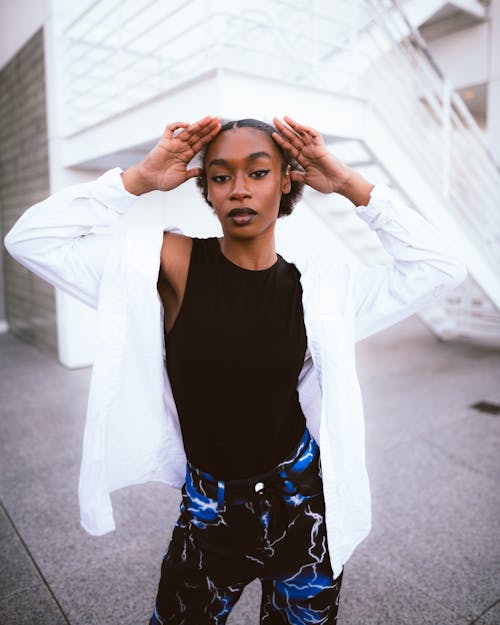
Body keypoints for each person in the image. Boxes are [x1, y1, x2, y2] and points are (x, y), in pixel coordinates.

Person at [4, 115, 467, 624]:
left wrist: (350, 186)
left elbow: (441, 265)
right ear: (205, 187)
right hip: (208, 513)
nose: (239, 190)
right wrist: (138, 179)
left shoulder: (318, 290)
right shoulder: (170, 264)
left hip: (303, 510)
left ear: (286, 179)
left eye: (258, 172)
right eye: (221, 176)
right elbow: (30, 240)